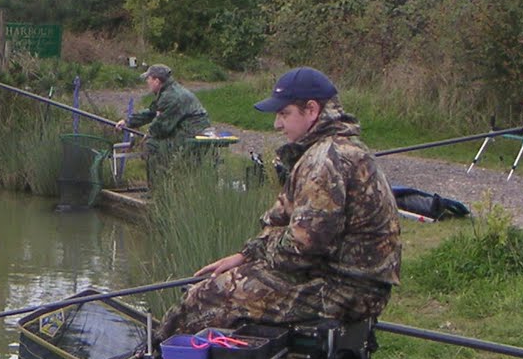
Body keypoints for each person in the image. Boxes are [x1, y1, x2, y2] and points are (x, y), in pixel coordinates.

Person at [158, 66, 400, 340]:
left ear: (311, 110)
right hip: (334, 277)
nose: (277, 124)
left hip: (349, 289)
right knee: (211, 288)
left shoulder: (326, 161)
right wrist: (246, 255)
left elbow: (301, 248)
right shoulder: (322, 151)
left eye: (284, 114)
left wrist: (252, 264)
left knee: (206, 299)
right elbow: (279, 219)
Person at [123, 63, 210, 168]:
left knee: (152, 145)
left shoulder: (171, 96)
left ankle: (159, 181)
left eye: (149, 78)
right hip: (186, 129)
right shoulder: (168, 91)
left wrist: (148, 135)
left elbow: (161, 127)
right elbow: (152, 112)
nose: (147, 82)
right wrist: (129, 122)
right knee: (152, 141)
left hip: (191, 133)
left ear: (157, 81)